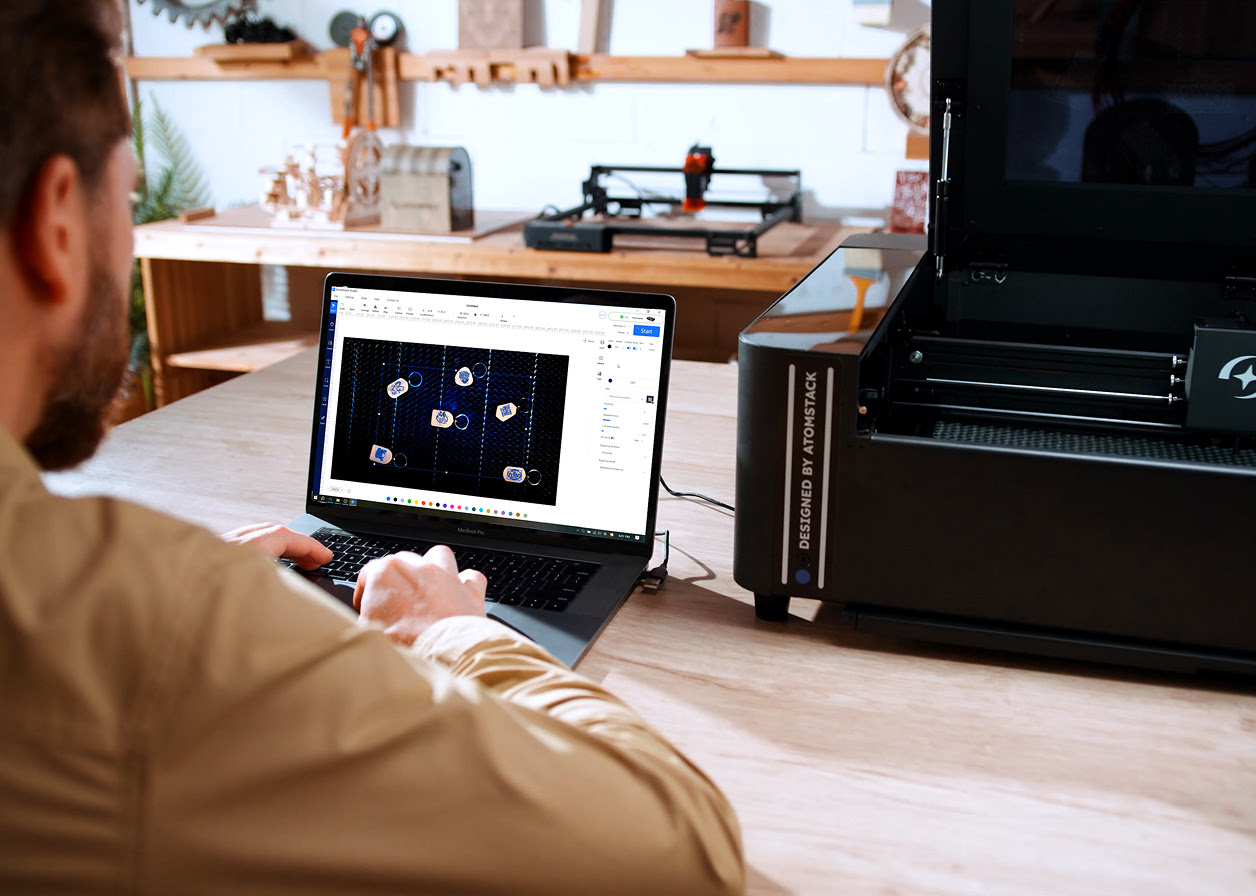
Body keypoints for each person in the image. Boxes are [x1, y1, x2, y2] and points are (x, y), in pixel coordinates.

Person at [0, 3, 745, 893]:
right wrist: (457, 631)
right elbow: (684, 856)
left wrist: (188, 593)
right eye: (125, 195)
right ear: (56, 224)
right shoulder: (136, 635)